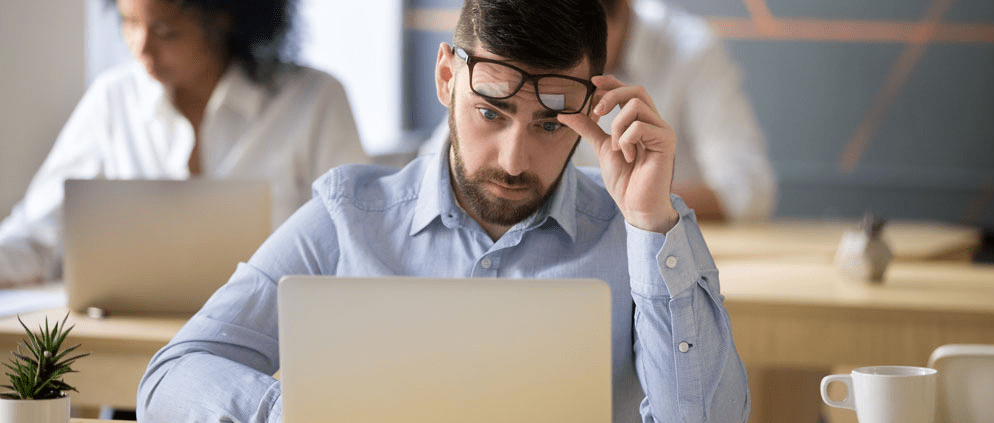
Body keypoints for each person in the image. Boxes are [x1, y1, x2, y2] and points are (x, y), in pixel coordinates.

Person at [136, 0, 750, 421]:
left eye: (548, 125)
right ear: (446, 80)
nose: (514, 160)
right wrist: (291, 412)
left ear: (594, 111)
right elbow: (173, 376)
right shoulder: (347, 217)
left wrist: (650, 224)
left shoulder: (645, 237)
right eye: (491, 113)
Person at [0, 0, 369, 286]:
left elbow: (362, 246)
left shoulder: (313, 99)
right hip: (126, 340)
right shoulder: (113, 100)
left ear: (224, 18)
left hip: (274, 345)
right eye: (129, 23)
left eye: (165, 31)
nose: (141, 48)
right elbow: (36, 235)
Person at [418, 0, 777, 223]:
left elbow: (748, 189)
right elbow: (433, 165)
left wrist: (637, 205)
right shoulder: (496, 59)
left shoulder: (690, 49)